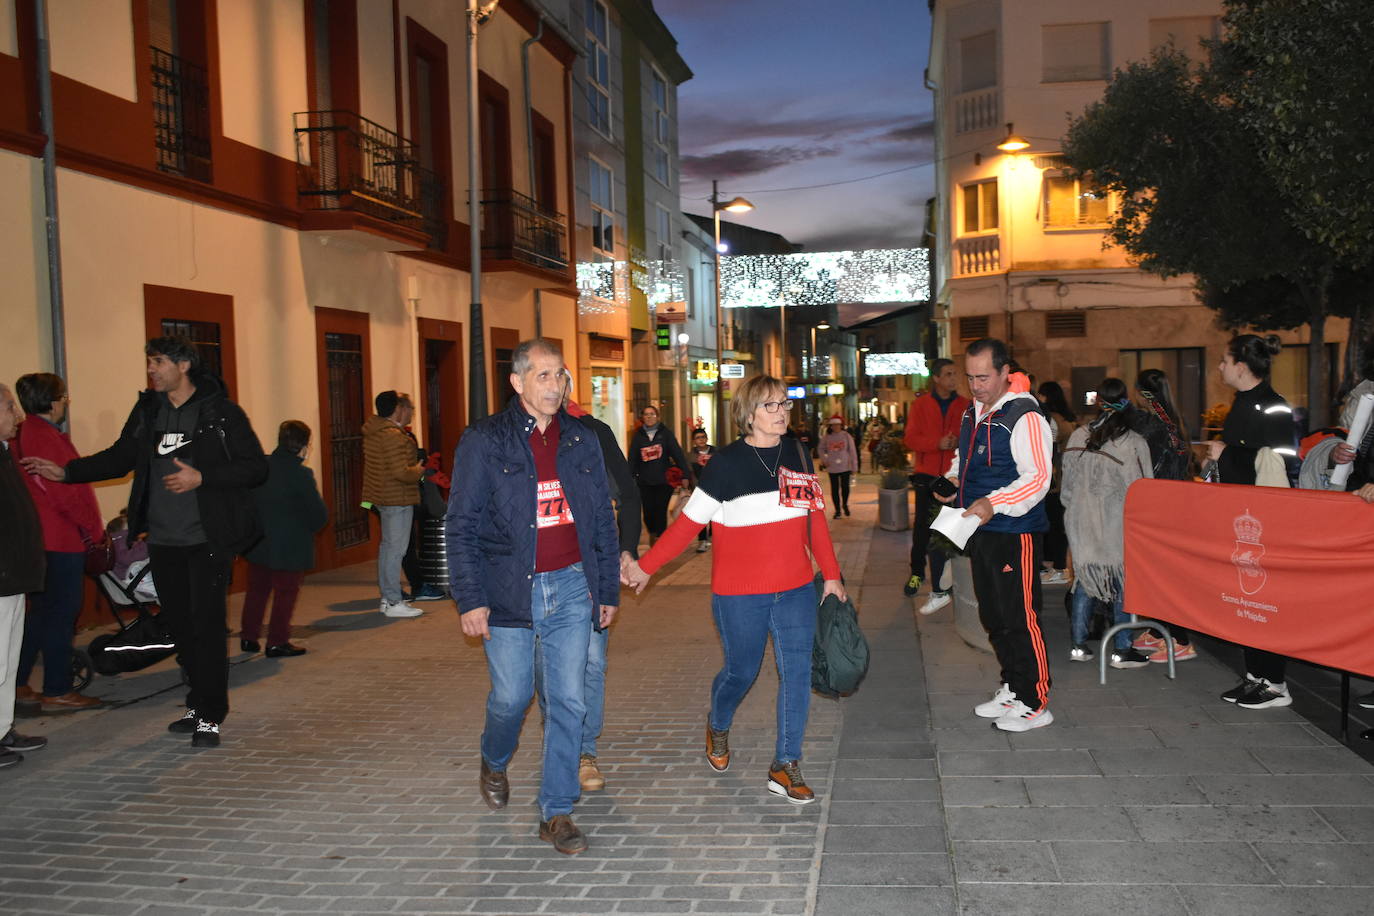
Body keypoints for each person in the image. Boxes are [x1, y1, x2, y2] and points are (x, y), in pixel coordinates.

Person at [24, 336, 268, 748]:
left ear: (183, 365)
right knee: (182, 629)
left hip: (207, 539)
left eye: (158, 362)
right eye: (149, 362)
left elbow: (256, 467)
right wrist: (67, 473)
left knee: (207, 629)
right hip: (162, 539)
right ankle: (196, 704)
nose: (151, 370)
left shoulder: (219, 412)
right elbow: (121, 456)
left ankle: (210, 715)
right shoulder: (149, 410)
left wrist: (203, 477)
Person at [622, 374, 845, 805]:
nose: (781, 412)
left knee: (796, 673)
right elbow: (688, 524)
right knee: (742, 672)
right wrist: (647, 567)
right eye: (770, 405)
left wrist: (831, 574)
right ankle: (718, 724)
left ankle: (786, 763)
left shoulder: (798, 453)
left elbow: (814, 517)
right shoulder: (724, 465)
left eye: (783, 404)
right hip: (740, 593)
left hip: (796, 588)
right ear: (747, 414)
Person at [447, 339, 620, 856]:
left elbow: (601, 519)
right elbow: (461, 524)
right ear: (517, 382)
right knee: (511, 697)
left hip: (571, 584)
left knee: (569, 700)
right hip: (507, 589)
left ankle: (557, 811)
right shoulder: (484, 440)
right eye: (542, 375)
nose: (554, 385)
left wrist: (606, 588)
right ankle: (494, 759)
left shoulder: (583, 438)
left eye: (560, 375)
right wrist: (469, 598)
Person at [934, 338, 1054, 732]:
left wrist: (993, 502)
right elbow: (965, 458)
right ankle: (1014, 688)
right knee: (994, 615)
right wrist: (954, 480)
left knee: (1020, 616)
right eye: (970, 377)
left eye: (984, 377)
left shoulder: (1025, 415)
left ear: (1005, 372)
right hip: (981, 528)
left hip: (1014, 532)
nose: (976, 385)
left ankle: (1035, 702)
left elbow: (1038, 478)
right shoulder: (974, 411)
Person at [1209, 334, 1300, 710]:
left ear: (1242, 367)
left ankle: (1275, 683)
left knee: (1263, 599)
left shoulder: (1273, 405)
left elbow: (1283, 461)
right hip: (1242, 513)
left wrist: (1226, 454)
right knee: (1246, 600)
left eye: (1224, 360)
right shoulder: (1242, 401)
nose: (1220, 367)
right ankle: (1256, 675)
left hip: (1266, 519)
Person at [561, 397, 641, 793]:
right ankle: (560, 739)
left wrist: (626, 549)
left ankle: (582, 752)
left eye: (558, 378)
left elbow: (627, 493)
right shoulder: (510, 435)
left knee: (592, 662)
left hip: (590, 565)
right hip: (535, 572)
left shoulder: (593, 432)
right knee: (546, 670)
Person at [12, 373, 106, 711]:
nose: (65, 403)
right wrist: (92, 529)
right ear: (52, 402)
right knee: (61, 615)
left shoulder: (24, 433)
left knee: (39, 615)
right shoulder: (46, 436)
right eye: (64, 397)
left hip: (41, 539)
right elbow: (65, 493)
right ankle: (57, 689)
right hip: (61, 538)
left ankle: (18, 683)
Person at [1060, 378, 1154, 666]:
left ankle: (1078, 646)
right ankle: (1122, 649)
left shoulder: (1078, 436)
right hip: (1117, 527)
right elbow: (1144, 490)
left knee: (1085, 580)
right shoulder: (1133, 443)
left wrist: (1075, 510)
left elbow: (1066, 485)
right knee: (1122, 584)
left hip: (1081, 523)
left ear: (1098, 401)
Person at [1126, 368, 1198, 663]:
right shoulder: (1173, 421)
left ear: (1140, 393)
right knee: (1160, 574)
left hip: (1160, 508)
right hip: (1175, 505)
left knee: (1164, 577)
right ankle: (1160, 630)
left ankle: (1180, 640)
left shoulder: (1149, 425)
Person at [240, 421, 329, 658]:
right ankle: (277, 641)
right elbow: (318, 515)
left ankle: (248, 636)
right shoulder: (301, 474)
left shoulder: (262, 466)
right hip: (290, 546)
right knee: (285, 594)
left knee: (256, 591)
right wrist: (309, 529)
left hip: (258, 543)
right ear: (304, 445)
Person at [0, 383, 49, 767]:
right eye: (8, 407)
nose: (17, 416)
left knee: (9, 661)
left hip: (13, 577)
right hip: (2, 576)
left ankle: (3, 728)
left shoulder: (5, 452)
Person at [903, 358, 969, 611]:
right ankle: (917, 573)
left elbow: (971, 436)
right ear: (937, 378)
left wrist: (957, 442)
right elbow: (910, 438)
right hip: (927, 476)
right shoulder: (921, 405)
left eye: (955, 374)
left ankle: (946, 580)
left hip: (954, 477)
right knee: (923, 529)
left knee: (951, 530)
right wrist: (936, 443)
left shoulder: (965, 404)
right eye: (948, 374)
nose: (954, 378)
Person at [362, 391, 426, 618]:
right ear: (398, 409)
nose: (410, 413)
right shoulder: (393, 436)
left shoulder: (374, 431)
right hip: (397, 498)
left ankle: (387, 598)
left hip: (382, 497)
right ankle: (392, 601)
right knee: (395, 550)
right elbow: (401, 472)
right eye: (408, 408)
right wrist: (418, 470)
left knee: (388, 549)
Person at [628, 405, 688, 545]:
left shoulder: (666, 434)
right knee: (648, 512)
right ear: (642, 418)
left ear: (658, 417)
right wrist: (629, 478)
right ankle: (653, 533)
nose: (649, 417)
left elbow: (678, 455)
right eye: (646, 414)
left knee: (660, 510)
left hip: (664, 481)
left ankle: (659, 540)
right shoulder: (638, 436)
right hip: (644, 482)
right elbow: (632, 459)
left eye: (652, 414)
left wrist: (685, 474)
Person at [1036, 381, 1077, 585]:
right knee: (1058, 524)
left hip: (1054, 481)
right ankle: (1059, 567)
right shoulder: (1067, 418)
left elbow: (1049, 449)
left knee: (1053, 525)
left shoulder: (1051, 419)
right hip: (1064, 478)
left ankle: (1058, 568)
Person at [819, 415, 858, 519]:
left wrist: (854, 466)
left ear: (841, 425)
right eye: (834, 425)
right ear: (831, 426)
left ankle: (845, 504)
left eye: (838, 425)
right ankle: (837, 510)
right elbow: (820, 449)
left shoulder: (846, 436)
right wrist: (824, 460)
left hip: (845, 466)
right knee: (834, 489)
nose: (836, 427)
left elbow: (852, 451)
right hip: (832, 467)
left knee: (845, 487)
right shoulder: (827, 437)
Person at [687, 428, 717, 552]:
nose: (701, 440)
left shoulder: (716, 452)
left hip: (716, 489)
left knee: (715, 515)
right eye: (698, 438)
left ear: (707, 438)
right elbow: (690, 473)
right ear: (694, 441)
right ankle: (702, 540)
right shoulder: (691, 455)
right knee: (701, 515)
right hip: (699, 490)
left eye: (703, 437)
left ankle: (713, 537)